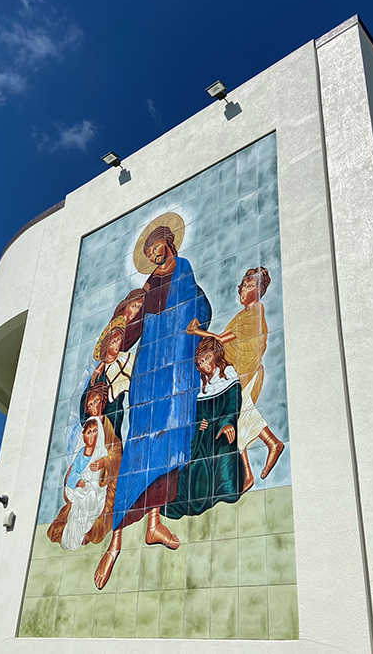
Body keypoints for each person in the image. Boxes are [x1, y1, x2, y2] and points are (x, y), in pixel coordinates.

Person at [94, 214, 212, 590]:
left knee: (171, 445)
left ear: (168, 242)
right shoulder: (148, 289)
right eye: (145, 251)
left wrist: (194, 323)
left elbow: (202, 309)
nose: (150, 253)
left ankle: (154, 523)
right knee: (138, 451)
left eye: (154, 246)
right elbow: (131, 331)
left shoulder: (186, 276)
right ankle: (114, 544)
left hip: (177, 369)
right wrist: (106, 356)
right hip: (149, 376)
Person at [187, 266, 284, 492]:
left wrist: (197, 332)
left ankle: (272, 445)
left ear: (260, 290)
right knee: (241, 417)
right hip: (236, 372)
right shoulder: (244, 314)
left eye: (250, 286)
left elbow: (221, 340)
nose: (244, 289)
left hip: (245, 372)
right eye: (243, 285)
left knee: (243, 413)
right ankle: (251, 469)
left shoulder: (254, 315)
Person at [164, 337, 244, 519]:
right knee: (195, 468)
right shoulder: (202, 385)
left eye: (207, 358)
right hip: (204, 435)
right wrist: (200, 425)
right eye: (200, 362)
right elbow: (198, 414)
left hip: (222, 430)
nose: (204, 364)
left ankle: (225, 496)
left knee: (224, 457)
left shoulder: (229, 375)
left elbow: (233, 402)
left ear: (216, 355)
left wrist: (228, 422)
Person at [48, 384, 122, 547]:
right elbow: (77, 458)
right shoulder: (88, 427)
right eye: (90, 405)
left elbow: (116, 451)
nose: (94, 407)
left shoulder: (107, 425)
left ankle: (86, 532)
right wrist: (73, 479)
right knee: (74, 511)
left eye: (96, 402)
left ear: (103, 403)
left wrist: (105, 462)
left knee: (100, 517)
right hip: (84, 481)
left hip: (103, 481)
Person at [55, 417, 108, 551]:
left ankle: (83, 529)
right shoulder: (80, 455)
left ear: (99, 433)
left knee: (91, 498)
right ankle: (72, 538)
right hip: (80, 490)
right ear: (83, 435)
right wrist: (78, 480)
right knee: (78, 511)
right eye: (88, 432)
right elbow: (73, 473)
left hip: (95, 492)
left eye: (94, 431)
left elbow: (104, 477)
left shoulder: (102, 453)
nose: (91, 436)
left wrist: (103, 464)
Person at [80, 324, 135, 440]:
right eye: (112, 342)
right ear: (106, 345)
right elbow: (85, 403)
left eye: (119, 340)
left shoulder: (126, 359)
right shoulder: (99, 375)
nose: (116, 346)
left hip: (114, 412)